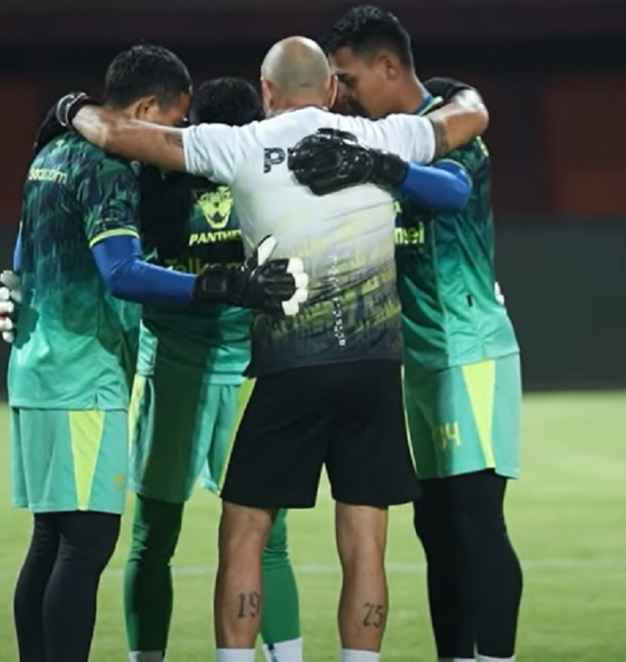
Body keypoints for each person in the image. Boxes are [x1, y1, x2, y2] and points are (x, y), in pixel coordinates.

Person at [54, 34, 486, 662]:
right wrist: (435, 113)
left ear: (266, 92)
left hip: (291, 369)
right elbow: (467, 120)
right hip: (374, 367)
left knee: (245, 533)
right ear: (333, 89)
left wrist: (72, 108)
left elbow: (122, 136)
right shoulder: (385, 138)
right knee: (366, 540)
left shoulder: (242, 143)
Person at [0, 44, 306, 662]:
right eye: (173, 124)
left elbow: (27, 253)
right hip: (102, 376)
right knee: (92, 544)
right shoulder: (119, 168)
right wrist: (215, 284)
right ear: (145, 109)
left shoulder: (55, 155)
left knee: (62, 540)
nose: (174, 141)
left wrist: (16, 293)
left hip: (67, 369)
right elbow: (121, 271)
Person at [309, 7, 525, 662]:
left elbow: (450, 192)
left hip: (469, 353)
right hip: (417, 362)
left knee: (475, 518)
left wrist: (374, 164)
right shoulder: (385, 134)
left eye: (348, 77)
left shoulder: (446, 132)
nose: (342, 93)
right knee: (434, 526)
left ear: (387, 65)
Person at [123, 77, 304, 662]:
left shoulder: (156, 176)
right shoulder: (267, 175)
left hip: (172, 374)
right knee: (269, 544)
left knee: (152, 542)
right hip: (253, 379)